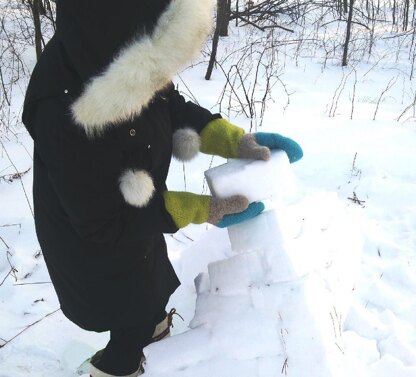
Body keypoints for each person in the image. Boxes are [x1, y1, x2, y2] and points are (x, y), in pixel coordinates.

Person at [22, 1, 303, 376]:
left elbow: (169, 105)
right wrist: (203, 209)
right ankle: (115, 368)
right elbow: (101, 221)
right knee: (131, 320)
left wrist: (233, 141)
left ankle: (150, 336)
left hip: (136, 228)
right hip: (90, 248)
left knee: (147, 301)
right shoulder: (64, 112)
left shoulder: (125, 56)